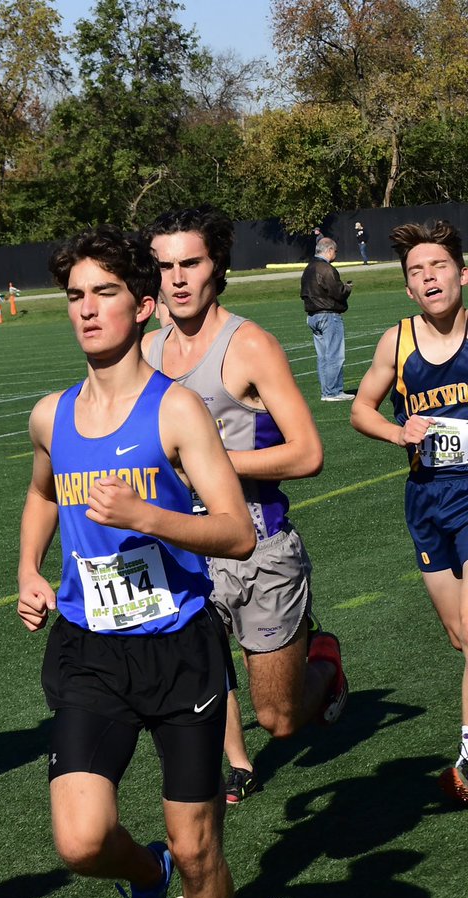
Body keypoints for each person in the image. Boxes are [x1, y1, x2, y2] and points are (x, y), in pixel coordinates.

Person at [17, 225, 255, 898]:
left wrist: (149, 516)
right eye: (75, 295)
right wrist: (28, 568)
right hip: (90, 649)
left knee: (201, 844)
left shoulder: (177, 407)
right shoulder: (52, 412)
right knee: (82, 840)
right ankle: (144, 876)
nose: (86, 309)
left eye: (104, 293)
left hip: (178, 648)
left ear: (142, 306)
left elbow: (235, 532)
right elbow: (42, 490)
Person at [146, 206, 347, 804]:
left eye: (191, 263)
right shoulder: (149, 353)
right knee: (201, 686)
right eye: (165, 267)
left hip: (260, 548)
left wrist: (212, 463)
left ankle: (326, 665)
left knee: (281, 718)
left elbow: (308, 453)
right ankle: (232, 770)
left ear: (218, 267)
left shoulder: (249, 344)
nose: (178, 278)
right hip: (185, 550)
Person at [350, 219, 468, 801]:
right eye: (417, 272)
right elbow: (361, 410)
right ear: (408, 288)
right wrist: (400, 433)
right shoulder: (397, 343)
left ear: (462, 274)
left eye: (439, 266)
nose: (429, 277)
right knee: (460, 635)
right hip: (426, 499)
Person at [301, 237, 354, 402]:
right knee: (335, 355)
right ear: (329, 250)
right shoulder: (326, 268)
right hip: (328, 315)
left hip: (312, 315)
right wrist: (347, 288)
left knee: (323, 356)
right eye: (335, 251)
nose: (335, 254)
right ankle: (333, 392)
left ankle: (327, 391)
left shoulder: (308, 268)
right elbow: (337, 291)